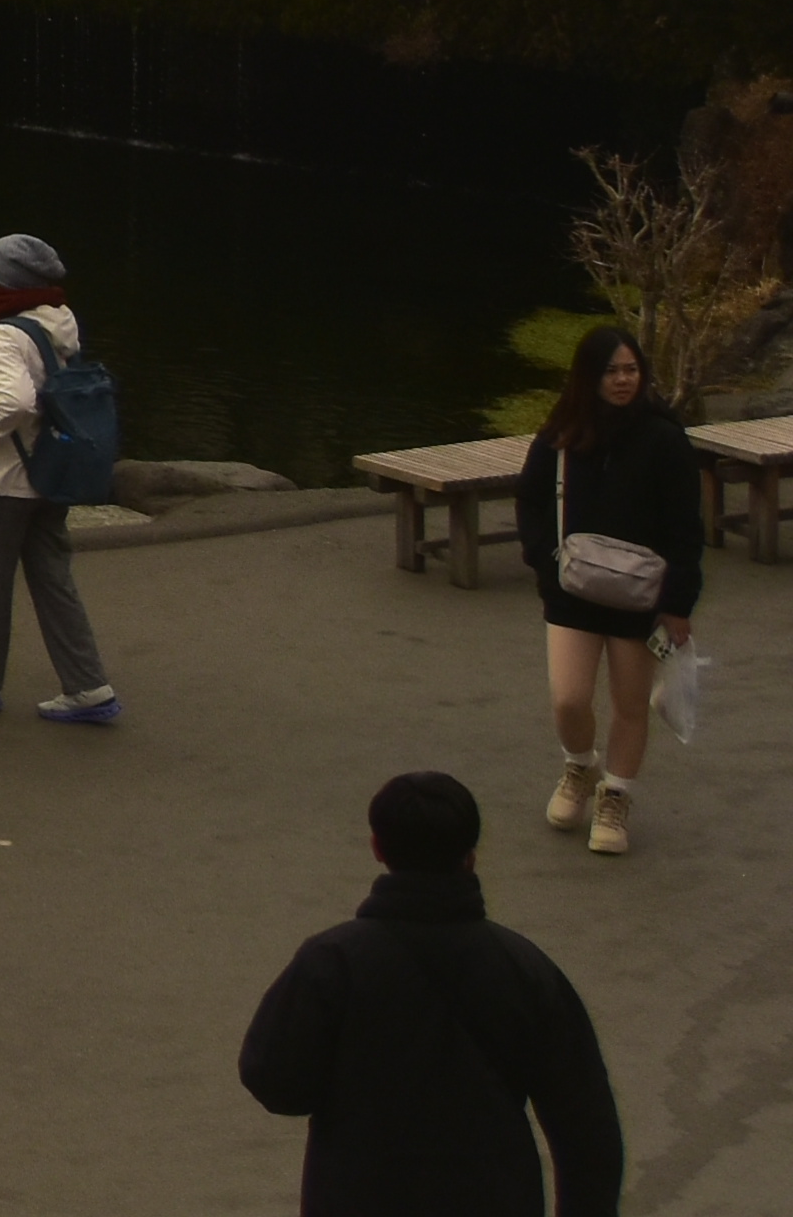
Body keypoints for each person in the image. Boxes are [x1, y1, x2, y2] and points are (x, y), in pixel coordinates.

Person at [236, 772, 626, 1217]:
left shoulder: (332, 962)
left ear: (378, 848)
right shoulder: (524, 969)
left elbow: (275, 1082)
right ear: (470, 856)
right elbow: (586, 1126)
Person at [516, 323, 704, 857]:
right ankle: (580, 765)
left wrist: (677, 604)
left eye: (631, 370)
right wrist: (543, 561)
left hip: (640, 594)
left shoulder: (664, 438)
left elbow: (686, 528)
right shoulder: (561, 434)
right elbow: (530, 499)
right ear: (588, 376)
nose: (623, 380)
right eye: (611, 371)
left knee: (630, 702)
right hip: (572, 588)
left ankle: (615, 796)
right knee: (569, 698)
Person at [0, 229, 121, 723]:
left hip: (8, 479)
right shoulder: (60, 322)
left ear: (5, 282)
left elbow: (15, 401)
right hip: (52, 471)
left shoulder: (5, 334)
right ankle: (88, 685)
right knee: (54, 579)